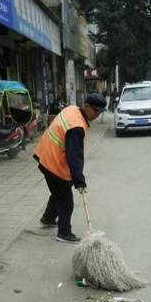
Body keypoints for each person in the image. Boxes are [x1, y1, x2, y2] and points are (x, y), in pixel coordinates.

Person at [34, 93, 107, 243]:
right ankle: (64, 232)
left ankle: (48, 218)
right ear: (86, 106)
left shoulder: (72, 109)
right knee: (66, 200)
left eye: (99, 112)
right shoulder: (77, 127)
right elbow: (74, 157)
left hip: (44, 154)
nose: (97, 115)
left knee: (58, 191)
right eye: (95, 111)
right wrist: (79, 181)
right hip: (52, 162)